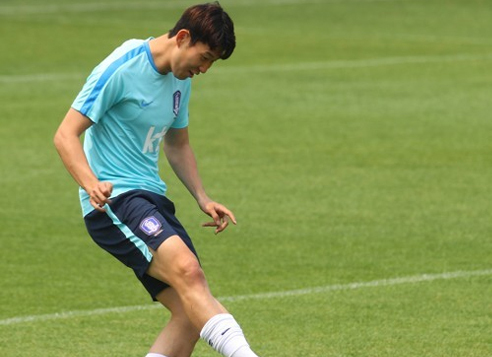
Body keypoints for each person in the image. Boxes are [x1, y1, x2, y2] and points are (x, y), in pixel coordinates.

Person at [54, 3, 261, 357]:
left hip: (151, 200)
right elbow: (65, 134)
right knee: (189, 273)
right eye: (205, 56)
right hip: (115, 199)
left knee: (189, 312)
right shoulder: (123, 66)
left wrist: (202, 196)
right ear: (183, 38)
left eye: (213, 62)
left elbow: (178, 143)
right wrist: (91, 183)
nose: (205, 69)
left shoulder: (182, 79)